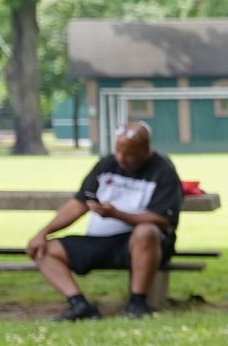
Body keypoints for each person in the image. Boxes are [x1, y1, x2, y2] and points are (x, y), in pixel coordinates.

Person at [25, 121, 182, 321]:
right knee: (43, 249)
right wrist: (43, 233)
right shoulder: (106, 165)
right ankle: (79, 304)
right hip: (99, 240)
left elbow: (162, 219)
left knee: (146, 231)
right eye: (118, 151)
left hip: (139, 244)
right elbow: (79, 204)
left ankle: (137, 303)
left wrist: (117, 214)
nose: (121, 158)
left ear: (145, 149)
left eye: (129, 154)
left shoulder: (163, 171)